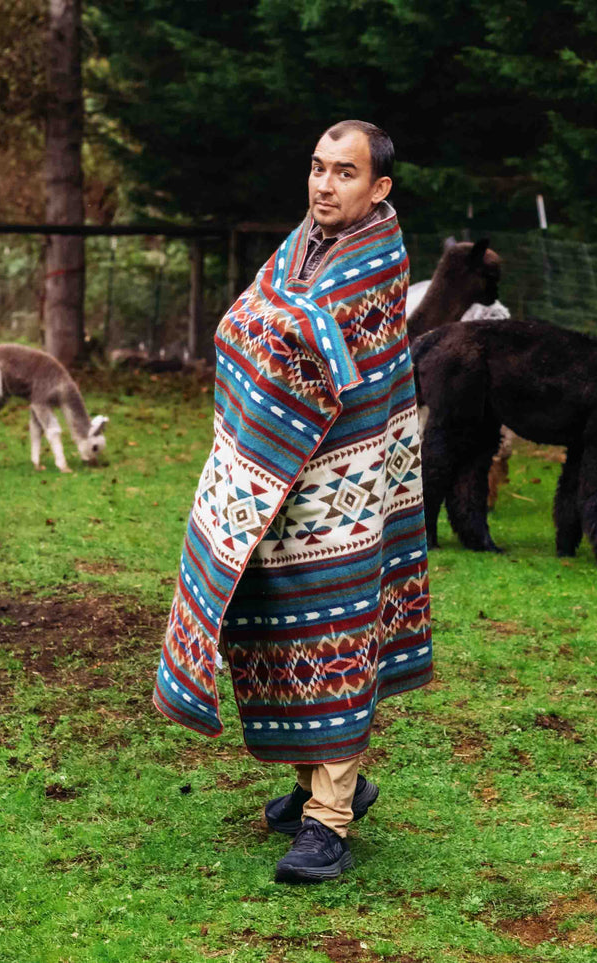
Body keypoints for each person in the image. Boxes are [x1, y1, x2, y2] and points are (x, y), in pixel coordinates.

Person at [154, 120, 433, 884]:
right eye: (316, 168)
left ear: (378, 188)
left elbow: (290, 336)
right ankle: (323, 780)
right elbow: (254, 320)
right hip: (280, 480)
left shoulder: (376, 262)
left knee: (338, 630)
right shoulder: (303, 245)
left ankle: (329, 822)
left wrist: (268, 323)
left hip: (345, 489)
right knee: (280, 625)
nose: (322, 184)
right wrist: (268, 323)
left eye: (343, 173)